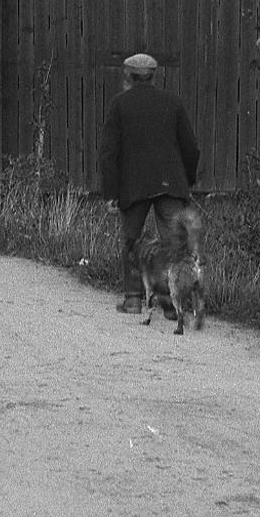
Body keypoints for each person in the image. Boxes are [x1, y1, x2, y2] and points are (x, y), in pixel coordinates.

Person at [100, 50, 206, 330]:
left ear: (128, 76)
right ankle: (172, 306)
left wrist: (111, 193)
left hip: (133, 185)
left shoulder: (119, 104)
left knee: (131, 241)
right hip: (170, 183)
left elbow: (109, 153)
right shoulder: (172, 102)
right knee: (173, 247)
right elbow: (190, 147)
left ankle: (133, 299)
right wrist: (186, 181)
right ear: (153, 76)